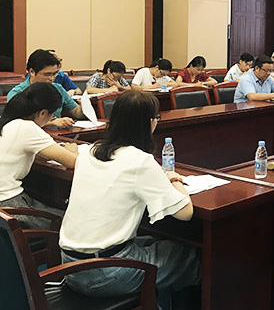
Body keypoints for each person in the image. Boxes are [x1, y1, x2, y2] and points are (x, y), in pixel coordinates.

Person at [59, 91, 200, 309]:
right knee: (191, 256)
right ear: (149, 122)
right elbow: (185, 212)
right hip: (106, 274)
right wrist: (174, 179)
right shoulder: (141, 161)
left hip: (69, 267)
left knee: (154, 242)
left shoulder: (90, 151)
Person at [0, 83, 78, 229]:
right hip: (8, 205)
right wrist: (72, 150)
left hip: (5, 205)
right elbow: (72, 162)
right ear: (42, 113)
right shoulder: (26, 127)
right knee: (71, 221)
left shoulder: (6, 121)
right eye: (52, 115)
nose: (51, 119)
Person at [8, 49, 86, 128]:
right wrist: (53, 122)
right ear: (32, 72)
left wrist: (83, 107)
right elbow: (17, 123)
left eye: (55, 74)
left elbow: (76, 112)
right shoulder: (17, 93)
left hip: (57, 133)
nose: (52, 78)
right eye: (47, 74)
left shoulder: (58, 88)